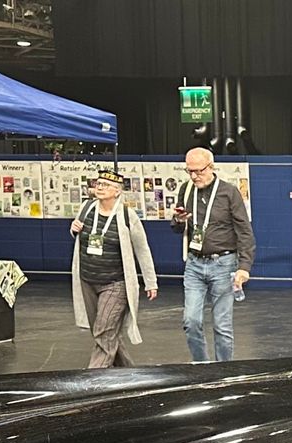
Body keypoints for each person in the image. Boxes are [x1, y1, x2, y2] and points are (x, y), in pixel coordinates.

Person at [69, 170, 160, 369]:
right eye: (98, 183)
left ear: (117, 191)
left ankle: (93, 379)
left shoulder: (127, 215)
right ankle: (130, 373)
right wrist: (73, 229)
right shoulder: (86, 208)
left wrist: (150, 282)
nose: (99, 187)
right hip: (87, 280)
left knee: (103, 331)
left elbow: (142, 250)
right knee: (105, 332)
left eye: (105, 185)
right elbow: (79, 234)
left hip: (115, 284)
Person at [171, 147, 254, 362]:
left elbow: (244, 231)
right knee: (191, 321)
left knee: (222, 325)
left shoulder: (229, 192)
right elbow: (178, 226)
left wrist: (244, 267)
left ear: (211, 166)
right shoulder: (186, 190)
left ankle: (223, 371)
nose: (194, 176)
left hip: (224, 264)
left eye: (198, 171)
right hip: (194, 264)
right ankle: (202, 367)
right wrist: (178, 221)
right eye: (189, 171)